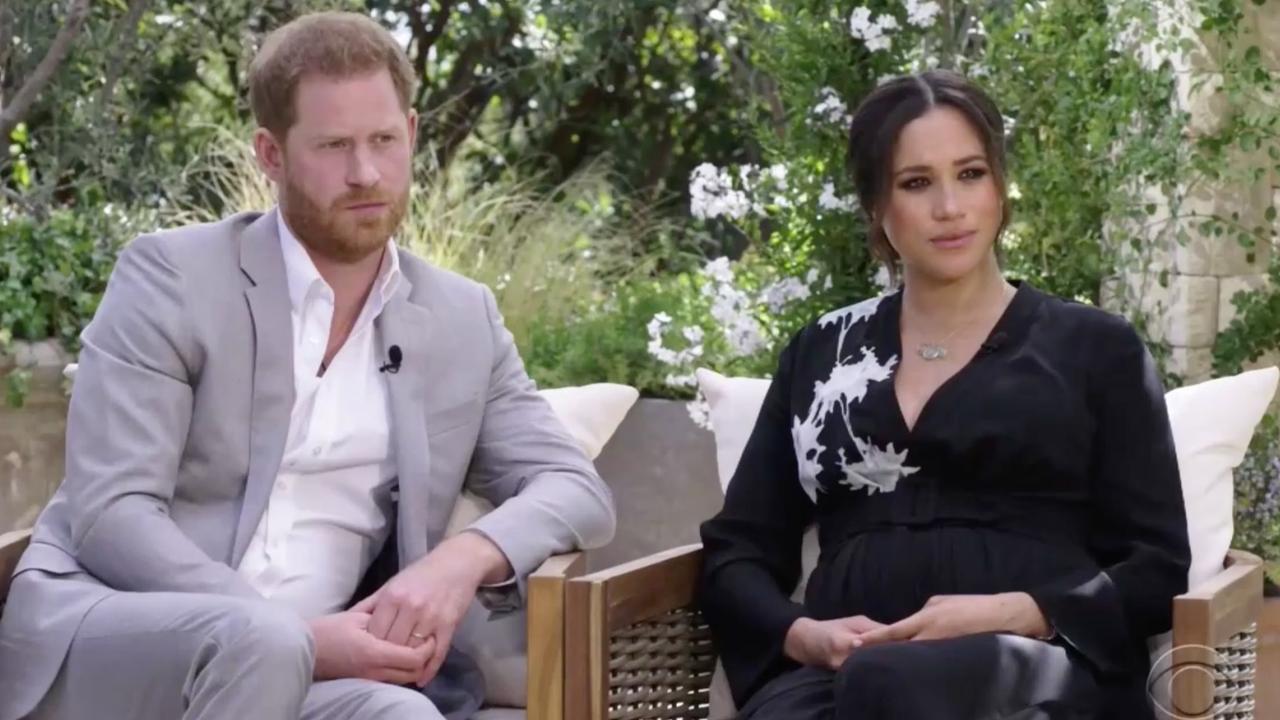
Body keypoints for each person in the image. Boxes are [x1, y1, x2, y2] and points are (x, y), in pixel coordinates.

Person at [0, 11, 615, 720]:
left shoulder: (460, 319)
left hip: (313, 669)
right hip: (122, 633)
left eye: (384, 141)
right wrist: (295, 636)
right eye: (333, 146)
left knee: (407, 717)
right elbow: (112, 515)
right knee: (259, 642)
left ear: (412, 134)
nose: (365, 173)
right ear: (271, 153)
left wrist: (461, 560)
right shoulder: (171, 276)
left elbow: (575, 489)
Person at [698, 70, 1190, 720]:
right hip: (843, 675)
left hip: (1037, 672)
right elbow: (739, 551)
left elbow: (1156, 566)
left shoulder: (1095, 348)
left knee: (890, 684)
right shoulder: (823, 354)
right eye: (916, 183)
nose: (950, 208)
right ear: (877, 205)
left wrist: (1021, 612)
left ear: (1000, 187)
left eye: (971, 174)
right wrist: (801, 635)